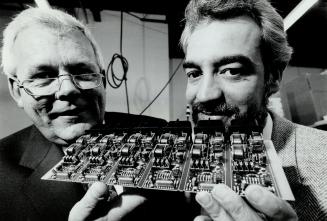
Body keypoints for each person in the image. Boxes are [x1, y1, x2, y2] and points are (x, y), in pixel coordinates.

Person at [69, 0, 327, 221]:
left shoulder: (323, 162)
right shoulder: (166, 165)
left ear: (273, 78)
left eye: (232, 71)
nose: (204, 95)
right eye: (194, 73)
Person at [0, 7, 166, 221]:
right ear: (17, 91)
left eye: (83, 71)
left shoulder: (158, 133)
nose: (68, 89)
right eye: (43, 76)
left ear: (103, 80)